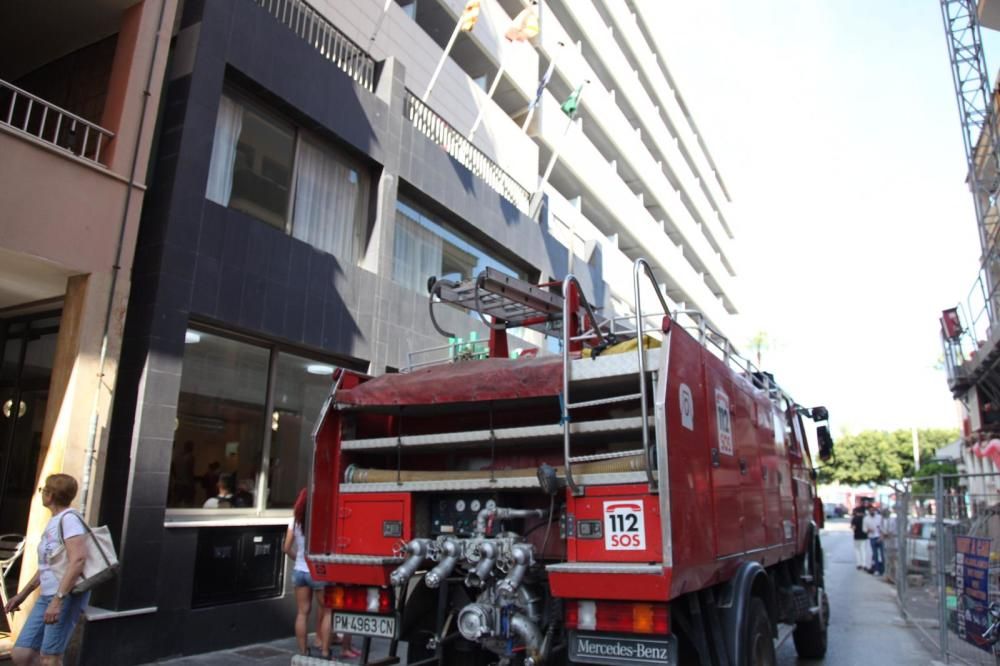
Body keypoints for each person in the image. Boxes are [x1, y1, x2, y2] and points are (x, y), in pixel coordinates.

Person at [4, 474, 90, 666]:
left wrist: (58, 601)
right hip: (48, 595)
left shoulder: (69, 520)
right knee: (22, 653)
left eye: (43, 490)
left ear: (50, 495)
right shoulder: (55, 521)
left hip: (64, 596)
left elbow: (78, 560)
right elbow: (47, 566)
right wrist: (22, 595)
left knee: (50, 657)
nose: (42, 493)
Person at [285, 489, 354, 659]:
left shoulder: (294, 521)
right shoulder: (322, 521)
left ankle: (303, 651)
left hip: (300, 571)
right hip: (319, 572)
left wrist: (298, 559)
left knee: (302, 613)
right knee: (329, 611)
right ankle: (324, 651)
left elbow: (285, 548)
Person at [863, 504, 885, 575]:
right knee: (875, 554)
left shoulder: (879, 517)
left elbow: (883, 527)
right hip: (872, 537)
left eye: (873, 510)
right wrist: (868, 530)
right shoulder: (866, 519)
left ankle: (883, 570)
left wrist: (881, 536)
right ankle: (877, 569)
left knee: (882, 554)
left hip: (879, 537)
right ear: (868, 511)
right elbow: (864, 529)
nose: (872, 511)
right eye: (870, 510)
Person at [850, 506, 869, 571]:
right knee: (863, 550)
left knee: (857, 550)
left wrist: (853, 528)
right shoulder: (865, 518)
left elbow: (853, 527)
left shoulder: (854, 518)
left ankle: (859, 564)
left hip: (857, 536)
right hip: (864, 536)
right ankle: (864, 564)